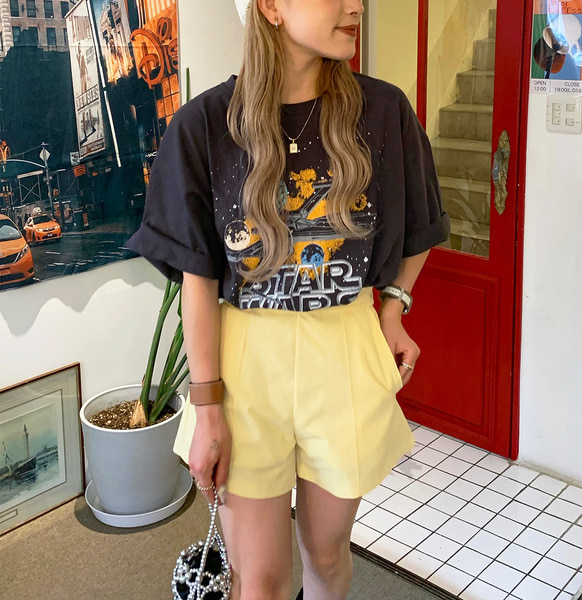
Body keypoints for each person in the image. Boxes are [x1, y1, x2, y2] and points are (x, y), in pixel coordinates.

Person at [126, 1, 449, 599]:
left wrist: (392, 307)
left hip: (343, 348)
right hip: (245, 361)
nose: (355, 5)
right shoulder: (205, 125)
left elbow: (423, 225)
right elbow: (197, 280)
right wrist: (207, 408)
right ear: (271, 7)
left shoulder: (383, 113)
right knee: (260, 580)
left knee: (327, 557)